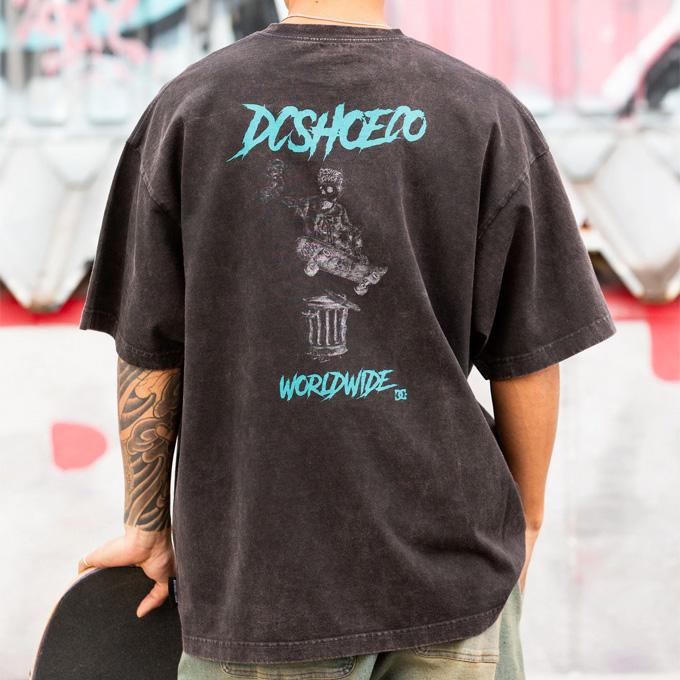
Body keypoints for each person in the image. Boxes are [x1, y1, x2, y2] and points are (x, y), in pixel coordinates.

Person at [77, 0, 617, 678]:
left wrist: (146, 524)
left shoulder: (188, 110)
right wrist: (527, 521)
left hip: (261, 588)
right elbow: (529, 352)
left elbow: (149, 350)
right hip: (455, 578)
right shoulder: (485, 114)